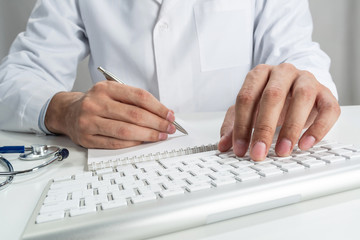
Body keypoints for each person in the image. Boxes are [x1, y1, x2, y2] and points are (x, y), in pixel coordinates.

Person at [0, 0, 340, 161]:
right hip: (124, 170)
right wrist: (63, 110)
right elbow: (14, 79)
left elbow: (300, 57)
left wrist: (299, 86)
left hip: (237, 162)